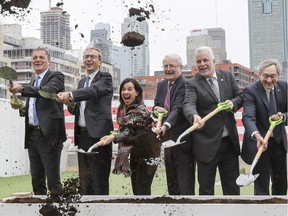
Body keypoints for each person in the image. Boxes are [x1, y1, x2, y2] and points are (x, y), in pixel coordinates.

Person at [183, 46, 243, 195]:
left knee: (232, 189)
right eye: (198, 61)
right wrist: (194, 116)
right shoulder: (192, 83)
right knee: (206, 189)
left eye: (205, 60)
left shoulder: (227, 77)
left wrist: (233, 104)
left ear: (213, 61)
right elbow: (188, 104)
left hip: (229, 143)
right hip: (206, 144)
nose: (202, 64)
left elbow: (240, 96)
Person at [8, 47, 66, 195]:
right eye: (35, 58)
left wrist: (22, 89)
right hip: (32, 135)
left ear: (49, 61)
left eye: (41, 57)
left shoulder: (57, 76)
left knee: (53, 180)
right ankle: (40, 209)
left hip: (49, 135)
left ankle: (57, 210)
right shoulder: (33, 79)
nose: (38, 60)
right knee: (37, 179)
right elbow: (34, 107)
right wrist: (21, 107)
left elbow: (47, 92)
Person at [57, 47, 113, 195]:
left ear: (100, 61)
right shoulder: (82, 82)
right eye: (86, 56)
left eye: (92, 57)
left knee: (99, 180)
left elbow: (93, 91)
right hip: (82, 136)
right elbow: (78, 109)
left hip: (99, 137)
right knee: (85, 180)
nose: (88, 59)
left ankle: (102, 210)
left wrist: (70, 94)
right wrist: (70, 103)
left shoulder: (105, 78)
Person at [99, 78, 161, 195]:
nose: (125, 92)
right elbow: (124, 128)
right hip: (136, 151)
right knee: (136, 189)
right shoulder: (122, 109)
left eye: (129, 89)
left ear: (137, 92)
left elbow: (128, 131)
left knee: (142, 189)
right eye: (123, 89)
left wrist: (113, 137)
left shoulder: (140, 111)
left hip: (149, 152)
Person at [241, 59, 287, 195]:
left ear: (278, 76)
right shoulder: (251, 90)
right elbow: (248, 117)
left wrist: (283, 117)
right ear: (259, 74)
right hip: (260, 144)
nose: (268, 80)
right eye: (265, 75)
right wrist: (256, 135)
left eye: (273, 76)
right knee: (261, 187)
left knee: (281, 185)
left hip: (279, 143)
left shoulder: (284, 87)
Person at [153, 53, 195, 195]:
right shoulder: (162, 84)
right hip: (167, 141)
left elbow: (177, 108)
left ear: (180, 68)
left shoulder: (186, 84)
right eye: (165, 66)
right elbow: (157, 106)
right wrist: (156, 110)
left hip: (182, 142)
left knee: (185, 186)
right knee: (172, 185)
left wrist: (165, 126)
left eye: (172, 66)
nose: (168, 69)